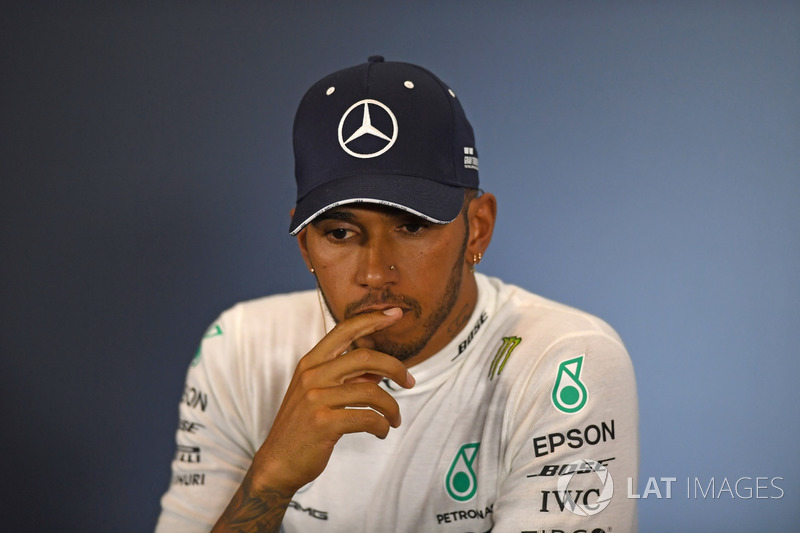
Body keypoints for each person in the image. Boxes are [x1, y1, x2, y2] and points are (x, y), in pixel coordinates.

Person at [156, 56, 638, 532]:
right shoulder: (240, 345)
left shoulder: (563, 360)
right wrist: (270, 481)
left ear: (477, 231)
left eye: (411, 226)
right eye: (340, 233)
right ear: (305, 245)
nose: (374, 273)